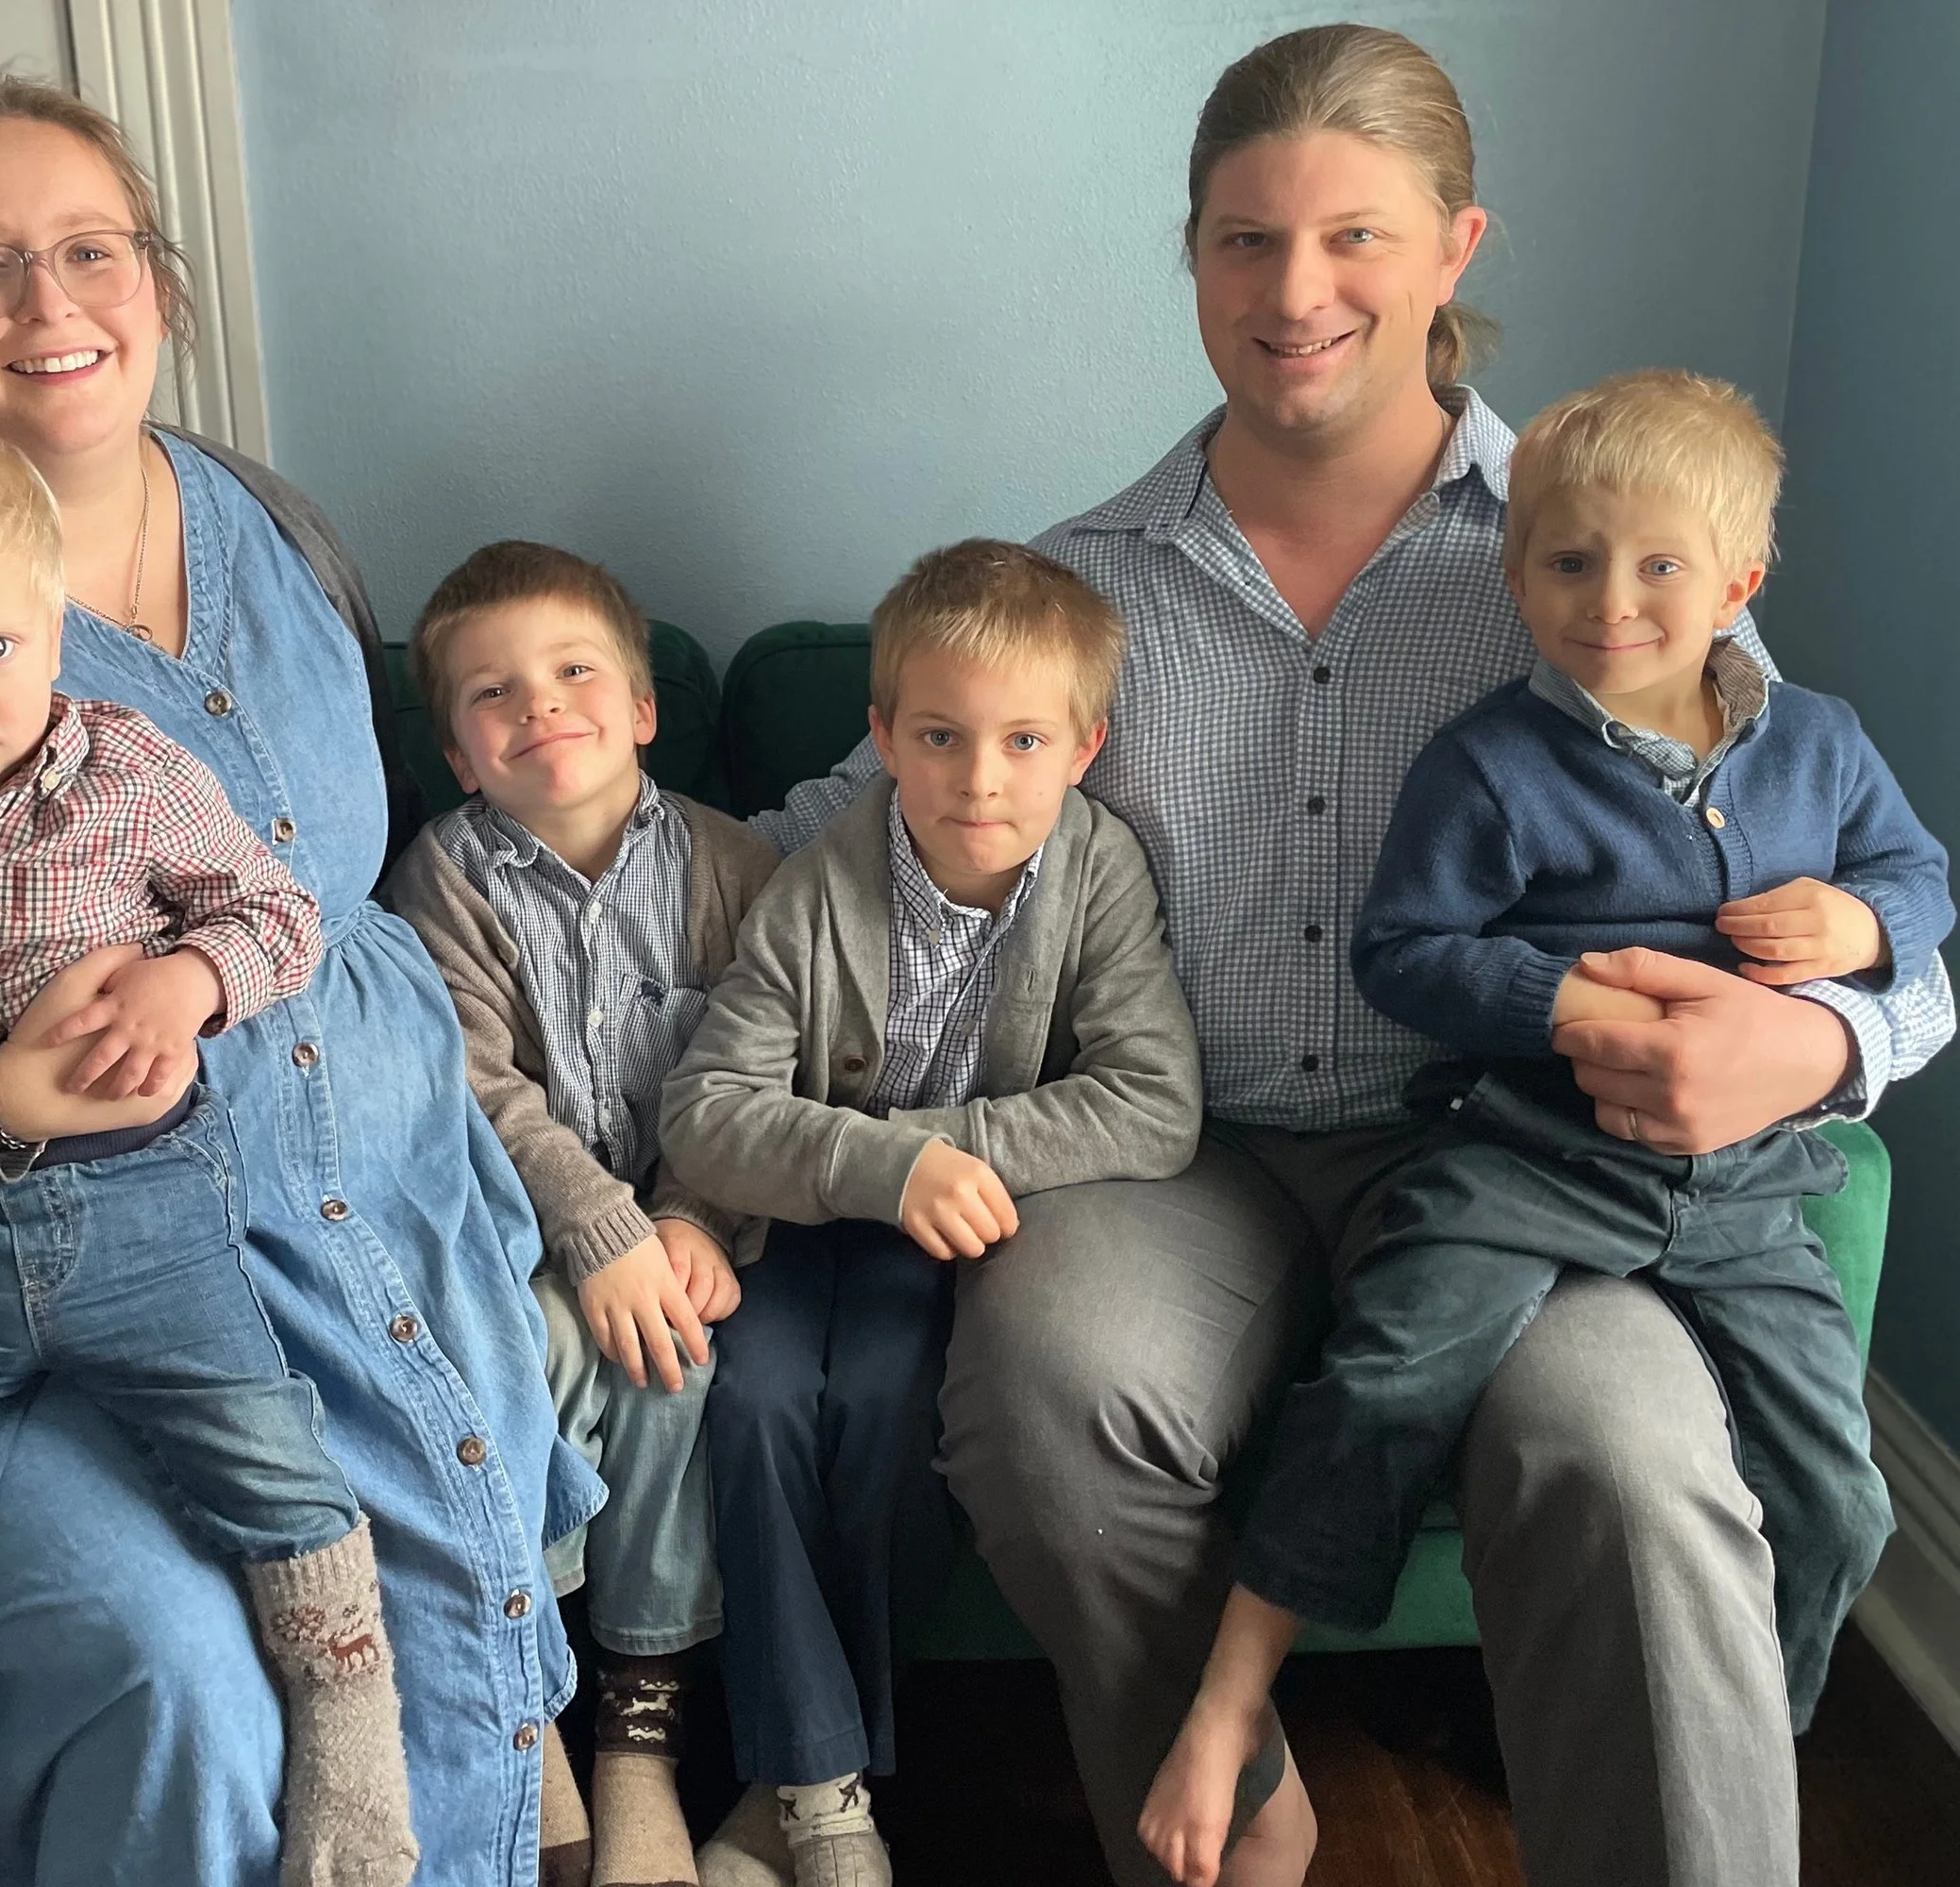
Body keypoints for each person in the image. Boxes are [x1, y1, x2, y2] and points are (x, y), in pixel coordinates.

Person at [742, 27, 1955, 1887]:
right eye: (1240, 240)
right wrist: (513, 893)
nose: (1291, 292)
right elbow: (836, 821)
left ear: (1453, 246)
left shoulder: (1595, 554)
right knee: (1043, 1382)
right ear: (1192, 256)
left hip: (1527, 1162)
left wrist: (1826, 1046)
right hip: (1180, 1157)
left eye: (1350, 239)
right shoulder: (1093, 586)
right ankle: (1229, 1809)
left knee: (1631, 1463)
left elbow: (1849, 869)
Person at [0, 73, 596, 1887]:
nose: (52, 304)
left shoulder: (272, 520)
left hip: (354, 1206)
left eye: (92, 249)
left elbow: (347, 889)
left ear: (157, 272)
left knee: (441, 1591)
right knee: (172, 1673)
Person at [1144, 371, 1951, 1884]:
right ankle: (1233, 1695)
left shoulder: (1818, 747)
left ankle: (1742, 1745)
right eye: (1569, 562)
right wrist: (1565, 998)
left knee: (1843, 1502)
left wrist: (1859, 920)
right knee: (1384, 1388)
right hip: (1523, 1163)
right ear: (1515, 576)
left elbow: (1926, 880)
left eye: (1659, 566)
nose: (1612, 602)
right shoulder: (1492, 763)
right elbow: (1406, 950)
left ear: (1739, 583)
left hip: (1740, 1189)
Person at [664, 541, 1208, 1887]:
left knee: (896, 1413)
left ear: (1086, 746)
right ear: (882, 740)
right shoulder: (812, 890)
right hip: (796, 1220)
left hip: (951, 1237)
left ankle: (800, 1783)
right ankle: (809, 1781)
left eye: (1024, 739)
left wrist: (932, 1156)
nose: (981, 777)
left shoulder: (1101, 874)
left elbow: (1154, 1104)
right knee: (751, 1403)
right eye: (942, 737)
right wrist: (872, 1168)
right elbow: (704, 1112)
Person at [389, 540, 779, 1887]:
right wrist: (597, 1233)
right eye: (494, 694)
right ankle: (530, 1704)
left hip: (688, 1233)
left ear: (645, 708)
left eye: (572, 672)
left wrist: (694, 1226)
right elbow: (476, 1087)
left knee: (678, 1359)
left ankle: (640, 1733)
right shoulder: (442, 882)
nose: (539, 705)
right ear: (457, 751)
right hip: (518, 1236)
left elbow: (760, 1063)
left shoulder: (734, 868)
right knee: (526, 1359)